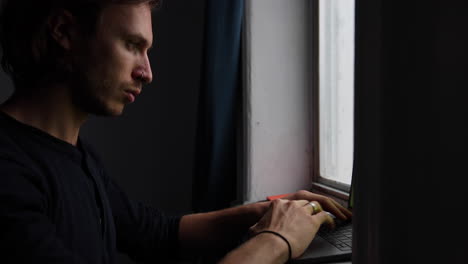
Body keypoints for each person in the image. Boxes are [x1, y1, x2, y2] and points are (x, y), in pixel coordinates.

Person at [0, 0, 352, 263]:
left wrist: (266, 211)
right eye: (132, 46)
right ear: (63, 32)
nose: (147, 72)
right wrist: (277, 240)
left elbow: (157, 234)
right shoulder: (9, 169)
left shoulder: (74, 153)